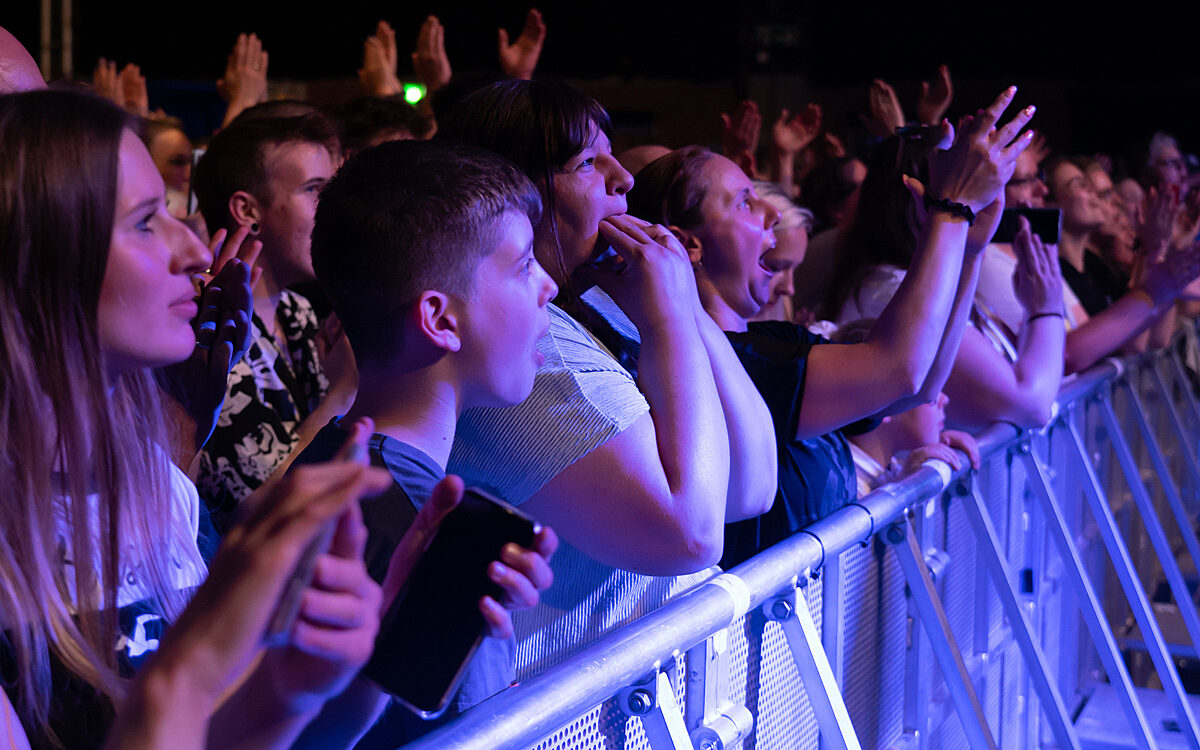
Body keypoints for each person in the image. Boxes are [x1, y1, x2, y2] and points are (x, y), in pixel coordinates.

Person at [0, 88, 549, 750]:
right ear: (40, 260)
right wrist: (191, 670)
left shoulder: (156, 485)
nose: (197, 252)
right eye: (147, 221)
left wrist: (360, 657)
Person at [437, 77, 777, 676]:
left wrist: (684, 308)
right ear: (510, 197)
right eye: (588, 162)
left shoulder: (595, 307)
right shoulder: (529, 353)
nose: (624, 180)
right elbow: (691, 534)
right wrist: (670, 314)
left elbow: (751, 485)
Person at [629, 86, 1032, 562]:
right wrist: (950, 213)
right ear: (688, 245)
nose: (772, 213)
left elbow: (915, 387)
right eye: (743, 203)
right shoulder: (714, 361)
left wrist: (967, 246)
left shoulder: (765, 342)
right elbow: (897, 368)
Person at [294, 139, 559, 744]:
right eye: (522, 267)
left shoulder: (338, 462)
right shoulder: (405, 518)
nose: (547, 286)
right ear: (440, 319)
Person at [829, 130, 1065, 433]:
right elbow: (1028, 405)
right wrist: (1046, 310)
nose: (990, 200)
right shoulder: (890, 289)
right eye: (974, 184)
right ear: (920, 198)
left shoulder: (919, 279)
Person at [192, 111, 356, 533]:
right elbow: (257, 518)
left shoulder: (297, 311)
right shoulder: (206, 332)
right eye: (315, 190)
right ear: (248, 210)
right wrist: (345, 392)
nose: (335, 210)